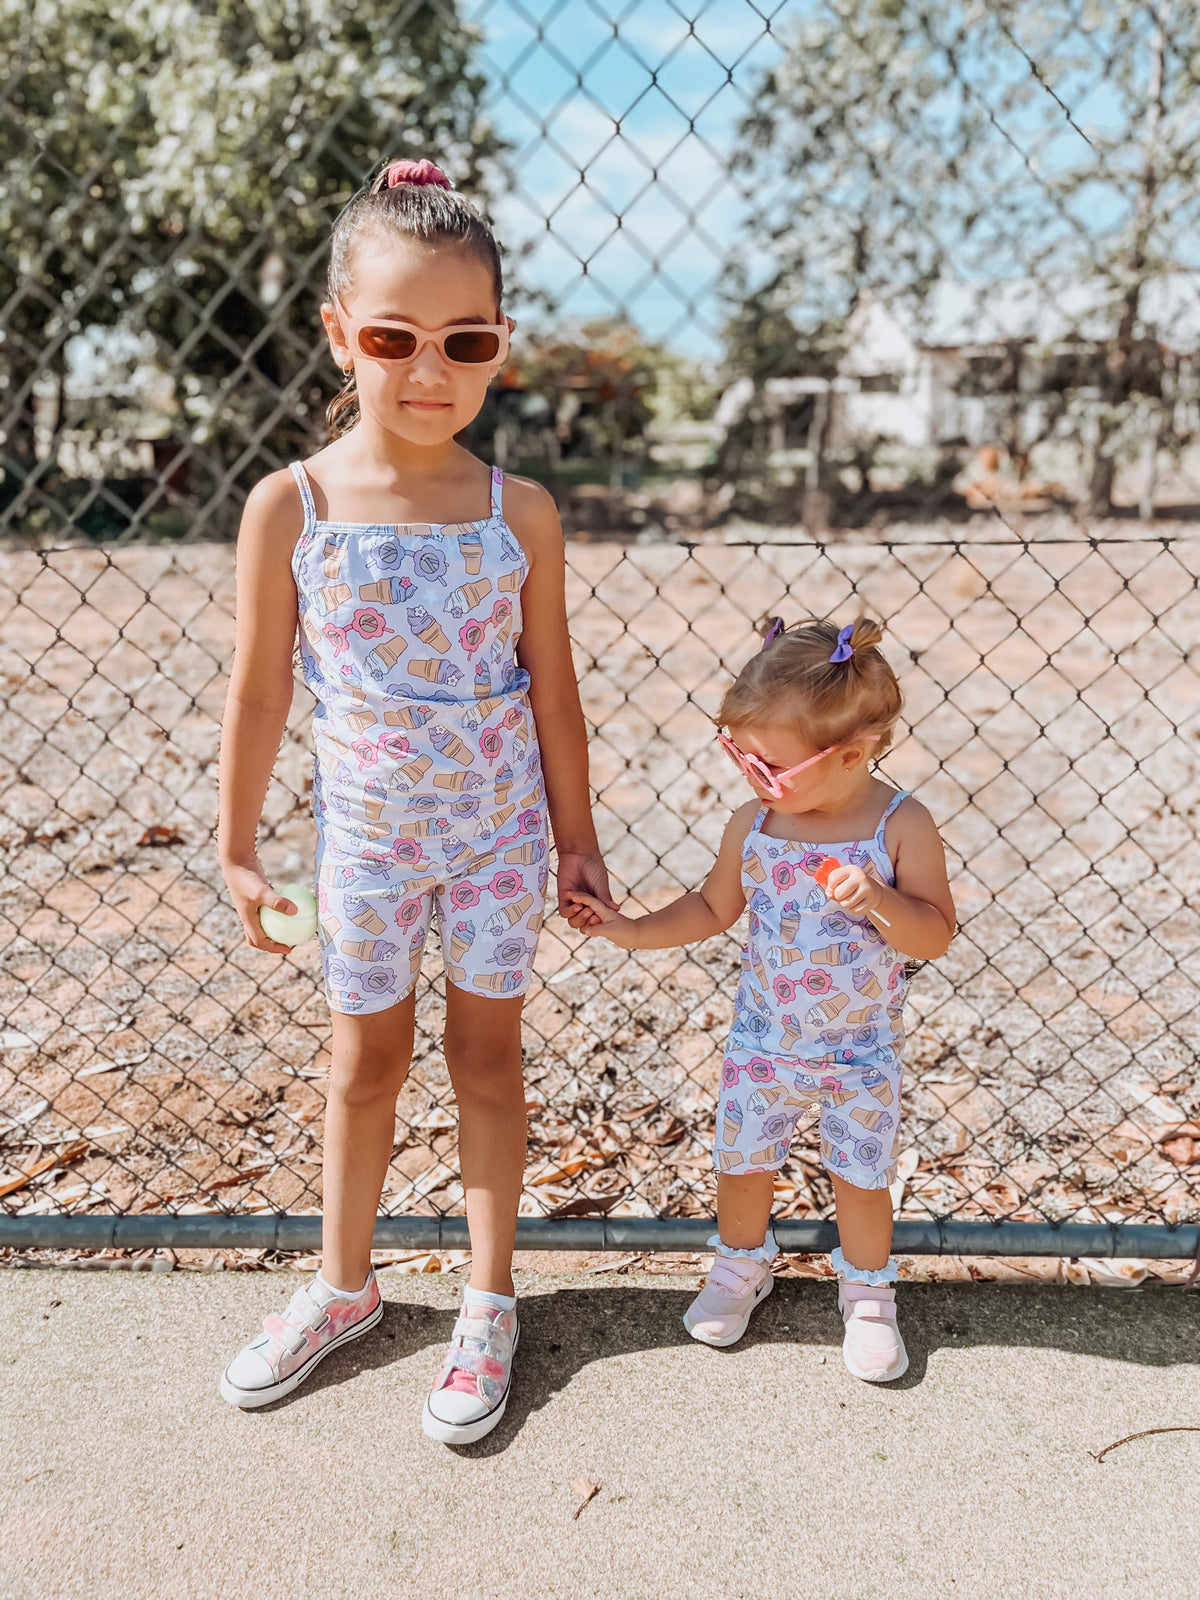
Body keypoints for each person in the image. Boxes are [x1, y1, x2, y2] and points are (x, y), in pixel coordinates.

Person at [216, 156, 613, 1442]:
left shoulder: (520, 513)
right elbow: (260, 692)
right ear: (341, 333)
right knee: (363, 1063)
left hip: (498, 846)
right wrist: (237, 848)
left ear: (500, 345)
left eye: (465, 340)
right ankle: (345, 1287)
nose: (430, 368)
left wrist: (578, 840)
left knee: (486, 1058)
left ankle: (490, 1302)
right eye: (394, 337)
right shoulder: (290, 507)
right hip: (368, 851)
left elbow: (554, 694)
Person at [568, 617, 955, 1382]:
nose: (751, 773)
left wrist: (879, 900)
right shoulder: (755, 824)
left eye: (770, 764)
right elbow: (712, 908)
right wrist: (630, 928)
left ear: (852, 753)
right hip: (764, 1045)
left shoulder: (900, 825)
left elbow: (935, 935)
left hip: (860, 1051)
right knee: (742, 1165)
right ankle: (741, 1265)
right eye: (738, 753)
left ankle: (868, 1295)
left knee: (862, 1178)